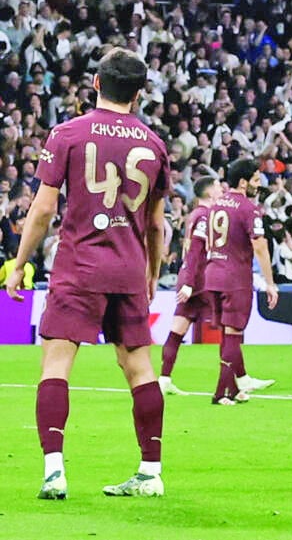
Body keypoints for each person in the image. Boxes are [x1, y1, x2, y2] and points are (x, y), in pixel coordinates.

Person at [5, 48, 171, 499]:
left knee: (57, 362)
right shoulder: (155, 145)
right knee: (139, 368)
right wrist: (151, 273)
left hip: (79, 264)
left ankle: (54, 471)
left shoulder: (67, 133)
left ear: (96, 83)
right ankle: (150, 472)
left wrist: (20, 265)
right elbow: (157, 224)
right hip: (128, 268)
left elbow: (42, 209)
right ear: (138, 94)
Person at [203, 158, 279, 405]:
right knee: (234, 334)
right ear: (244, 182)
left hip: (212, 273)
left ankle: (232, 389)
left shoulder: (215, 205)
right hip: (234, 276)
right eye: (256, 180)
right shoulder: (248, 208)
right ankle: (220, 393)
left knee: (226, 335)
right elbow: (260, 245)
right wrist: (270, 282)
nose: (259, 184)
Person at [160, 176, 223, 395]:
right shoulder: (205, 215)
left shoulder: (195, 215)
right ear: (208, 193)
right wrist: (189, 283)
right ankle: (237, 381)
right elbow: (195, 251)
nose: (221, 189)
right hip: (200, 281)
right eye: (217, 186)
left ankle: (164, 378)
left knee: (177, 330)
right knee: (229, 328)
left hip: (191, 278)